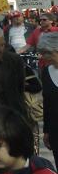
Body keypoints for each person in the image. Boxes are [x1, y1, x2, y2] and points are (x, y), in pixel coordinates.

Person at [38, 32, 58, 166]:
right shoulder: (46, 72)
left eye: (46, 53)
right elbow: (47, 103)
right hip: (55, 129)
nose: (42, 57)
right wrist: (46, 131)